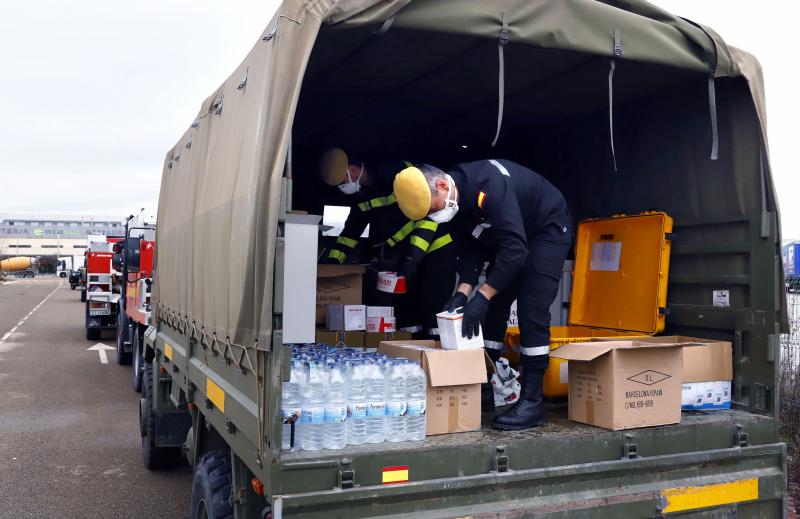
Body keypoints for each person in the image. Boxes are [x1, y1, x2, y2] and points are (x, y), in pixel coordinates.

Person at [393, 160, 572, 430]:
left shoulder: (489, 186)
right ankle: (486, 388)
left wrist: (483, 294)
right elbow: (470, 250)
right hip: (514, 238)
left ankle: (532, 402)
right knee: (493, 306)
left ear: (443, 186)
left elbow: (515, 251)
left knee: (531, 306)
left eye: (434, 208)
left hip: (546, 229)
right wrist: (463, 293)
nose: (435, 216)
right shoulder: (457, 205)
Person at [318, 148, 456, 337]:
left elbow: (427, 217)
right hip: (406, 255)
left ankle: (438, 358)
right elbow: (351, 232)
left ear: (353, 171)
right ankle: (411, 354)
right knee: (407, 313)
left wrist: (412, 259)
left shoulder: (399, 175)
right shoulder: (362, 197)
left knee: (433, 307)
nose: (343, 189)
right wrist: (334, 260)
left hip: (434, 249)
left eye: (342, 183)